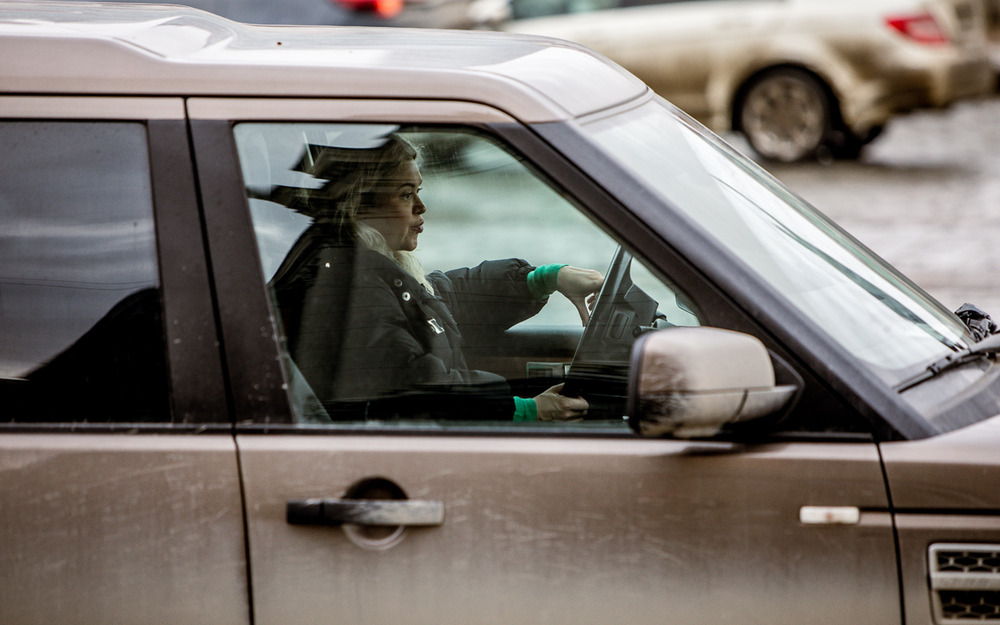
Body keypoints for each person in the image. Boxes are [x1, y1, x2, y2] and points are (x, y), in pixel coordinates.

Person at [269, 133, 604, 422]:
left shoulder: (366, 268)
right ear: (359, 204)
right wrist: (524, 410)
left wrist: (546, 279)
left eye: (418, 190)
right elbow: (415, 387)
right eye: (405, 194)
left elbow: (442, 298)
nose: (421, 206)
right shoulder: (350, 286)